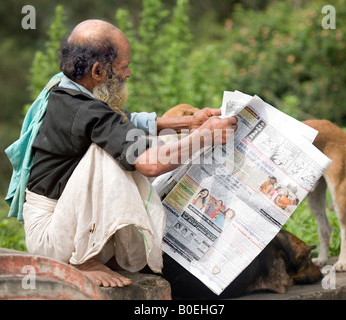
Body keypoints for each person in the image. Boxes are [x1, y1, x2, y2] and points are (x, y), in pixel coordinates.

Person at [13, 19, 237, 288]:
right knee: (112, 153)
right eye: (123, 67)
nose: (128, 73)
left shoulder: (66, 90)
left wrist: (187, 124)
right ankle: (85, 259)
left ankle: (100, 251)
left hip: (59, 224)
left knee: (143, 140)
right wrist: (205, 137)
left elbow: (121, 120)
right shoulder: (86, 111)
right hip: (53, 240)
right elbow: (148, 164)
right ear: (98, 71)